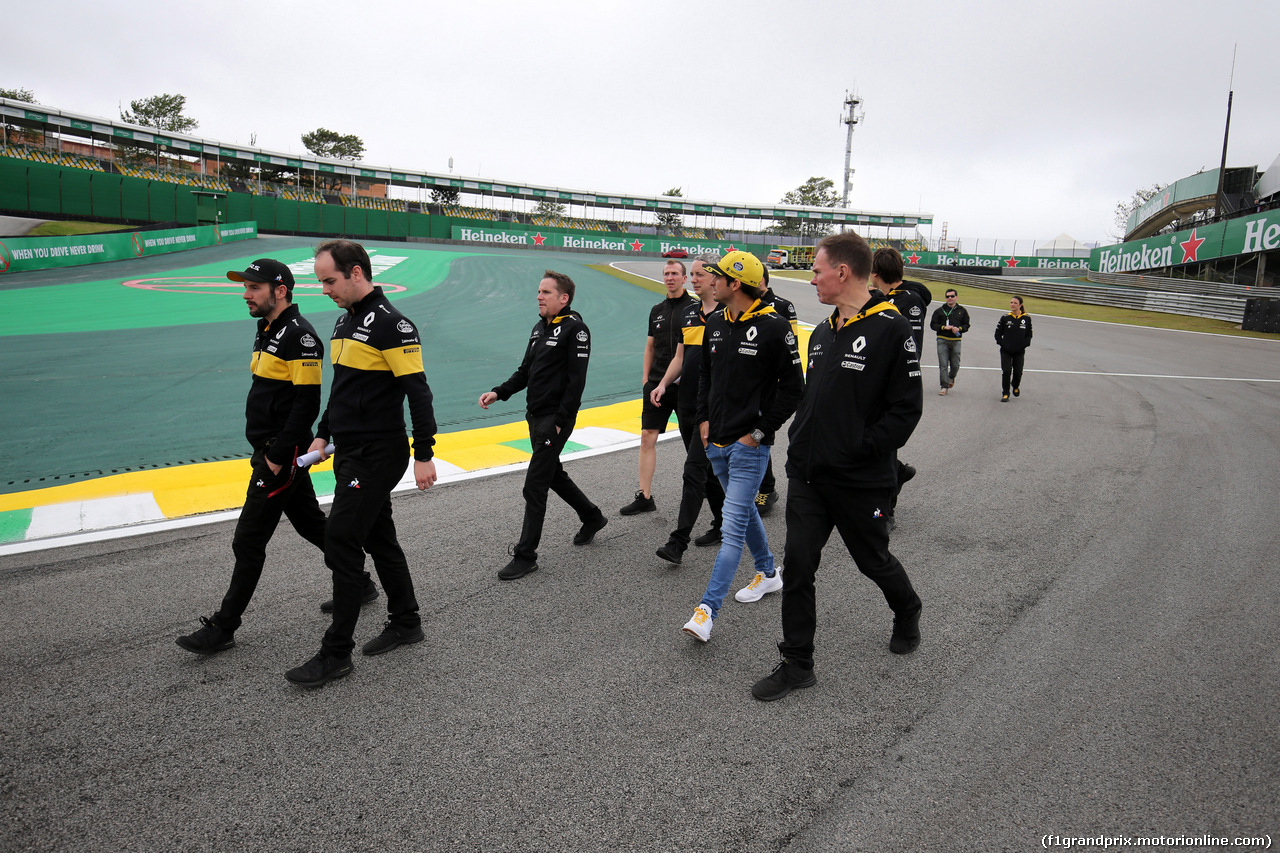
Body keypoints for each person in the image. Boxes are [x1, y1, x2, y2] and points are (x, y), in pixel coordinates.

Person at [752, 232, 924, 702]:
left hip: (859, 478)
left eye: (817, 270)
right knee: (799, 567)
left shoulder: (891, 328)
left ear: (842, 272)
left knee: (873, 561)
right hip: (808, 475)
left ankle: (908, 609)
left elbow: (906, 410)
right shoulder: (825, 331)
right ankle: (797, 663)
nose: (812, 279)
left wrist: (860, 449)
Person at [286, 240, 439, 687]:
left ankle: (336, 653)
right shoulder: (342, 321)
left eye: (329, 280)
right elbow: (342, 387)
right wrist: (323, 431)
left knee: (341, 539)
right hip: (348, 451)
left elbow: (419, 393)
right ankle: (407, 621)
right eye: (320, 282)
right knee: (380, 538)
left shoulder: (394, 325)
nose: (324, 289)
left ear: (356, 273)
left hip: (379, 452)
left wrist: (424, 453)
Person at [177, 258, 344, 654]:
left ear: (280, 290)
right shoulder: (267, 327)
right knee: (310, 525)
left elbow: (307, 403)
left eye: (254, 287)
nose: (246, 294)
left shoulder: (300, 336)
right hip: (271, 448)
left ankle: (223, 627)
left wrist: (279, 455)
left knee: (248, 541)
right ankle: (360, 580)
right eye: (245, 287)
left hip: (279, 454)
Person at [682, 251, 803, 642]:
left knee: (732, 529)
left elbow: (794, 389)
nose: (709, 281)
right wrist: (703, 418)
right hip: (714, 440)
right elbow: (705, 376)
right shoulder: (715, 321)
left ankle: (706, 611)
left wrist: (760, 432)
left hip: (749, 446)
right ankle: (769, 573)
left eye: (716, 276)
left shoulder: (774, 327)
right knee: (743, 507)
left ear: (735, 284)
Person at [479, 270, 607, 580]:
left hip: (555, 419)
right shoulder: (539, 328)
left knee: (534, 484)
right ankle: (592, 517)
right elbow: (525, 372)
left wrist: (561, 423)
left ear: (563, 298)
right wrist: (499, 392)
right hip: (534, 415)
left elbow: (577, 383)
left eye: (546, 292)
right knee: (553, 475)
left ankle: (526, 556)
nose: (539, 296)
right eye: (539, 291)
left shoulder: (576, 330)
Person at [650, 254, 727, 563]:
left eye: (698, 274)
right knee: (706, 472)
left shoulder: (730, 314)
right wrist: (663, 383)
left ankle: (677, 542)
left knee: (693, 470)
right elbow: (680, 357)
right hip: (686, 404)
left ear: (715, 278)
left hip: (712, 407)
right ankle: (725, 523)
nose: (693, 279)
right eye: (691, 274)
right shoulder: (689, 313)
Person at [620, 260, 698, 515]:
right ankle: (644, 496)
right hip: (656, 385)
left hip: (687, 386)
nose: (670, 278)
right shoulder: (657, 310)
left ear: (684, 279)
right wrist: (646, 380)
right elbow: (650, 346)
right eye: (666, 274)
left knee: (695, 443)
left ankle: (710, 491)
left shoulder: (696, 308)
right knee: (647, 437)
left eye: (675, 273)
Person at [869, 247, 921, 528]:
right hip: (873, 383)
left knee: (885, 448)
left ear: (875, 273)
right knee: (881, 451)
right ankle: (898, 473)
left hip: (894, 386)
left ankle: (886, 510)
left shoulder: (909, 302)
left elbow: (912, 348)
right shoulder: (881, 298)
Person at [752, 266, 799, 517]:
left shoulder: (783, 305)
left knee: (762, 435)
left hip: (774, 380)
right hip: (753, 380)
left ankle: (767, 489)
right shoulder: (745, 304)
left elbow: (792, 341)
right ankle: (760, 485)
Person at [929, 288, 971, 395]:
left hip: (956, 340)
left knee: (955, 364)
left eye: (952, 296)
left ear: (956, 297)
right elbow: (933, 325)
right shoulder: (939, 311)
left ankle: (952, 376)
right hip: (942, 340)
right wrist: (943, 327)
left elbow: (967, 325)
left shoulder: (962, 311)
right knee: (943, 364)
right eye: (948, 297)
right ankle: (944, 386)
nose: (950, 298)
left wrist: (959, 329)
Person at [995, 295, 1033, 402]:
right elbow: (997, 334)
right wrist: (1003, 344)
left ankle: (1015, 385)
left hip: (1019, 351)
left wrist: (1024, 345)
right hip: (1006, 350)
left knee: (1018, 372)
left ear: (1020, 305)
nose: (1012, 305)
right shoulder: (1005, 318)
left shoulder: (1026, 318)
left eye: (1015, 303)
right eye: (1011, 302)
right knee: (1006, 371)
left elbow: (1029, 335)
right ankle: (1005, 393)